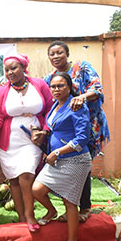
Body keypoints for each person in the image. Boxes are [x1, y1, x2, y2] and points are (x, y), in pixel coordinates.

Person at [0, 54, 53, 232]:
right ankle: (21, 217)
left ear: (23, 67)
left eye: (14, 68)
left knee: (26, 175)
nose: (10, 72)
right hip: (8, 143)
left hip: (32, 140)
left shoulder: (39, 85)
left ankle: (30, 214)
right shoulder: (2, 92)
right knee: (14, 180)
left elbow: (50, 109)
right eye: (7, 70)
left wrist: (45, 131)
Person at [44, 40, 110, 223]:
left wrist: (81, 97)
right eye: (52, 54)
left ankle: (85, 207)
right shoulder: (51, 78)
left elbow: (97, 89)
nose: (56, 56)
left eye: (59, 52)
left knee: (82, 167)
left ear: (67, 54)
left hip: (88, 125)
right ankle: (70, 207)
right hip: (66, 130)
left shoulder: (82, 67)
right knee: (68, 169)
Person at [32, 72, 91, 241]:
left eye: (61, 86)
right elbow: (56, 128)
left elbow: (82, 138)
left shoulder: (76, 105)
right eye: (53, 86)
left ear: (69, 87)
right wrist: (44, 134)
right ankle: (51, 212)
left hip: (75, 160)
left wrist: (57, 152)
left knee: (70, 201)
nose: (56, 89)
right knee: (37, 190)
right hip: (57, 159)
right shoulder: (55, 105)